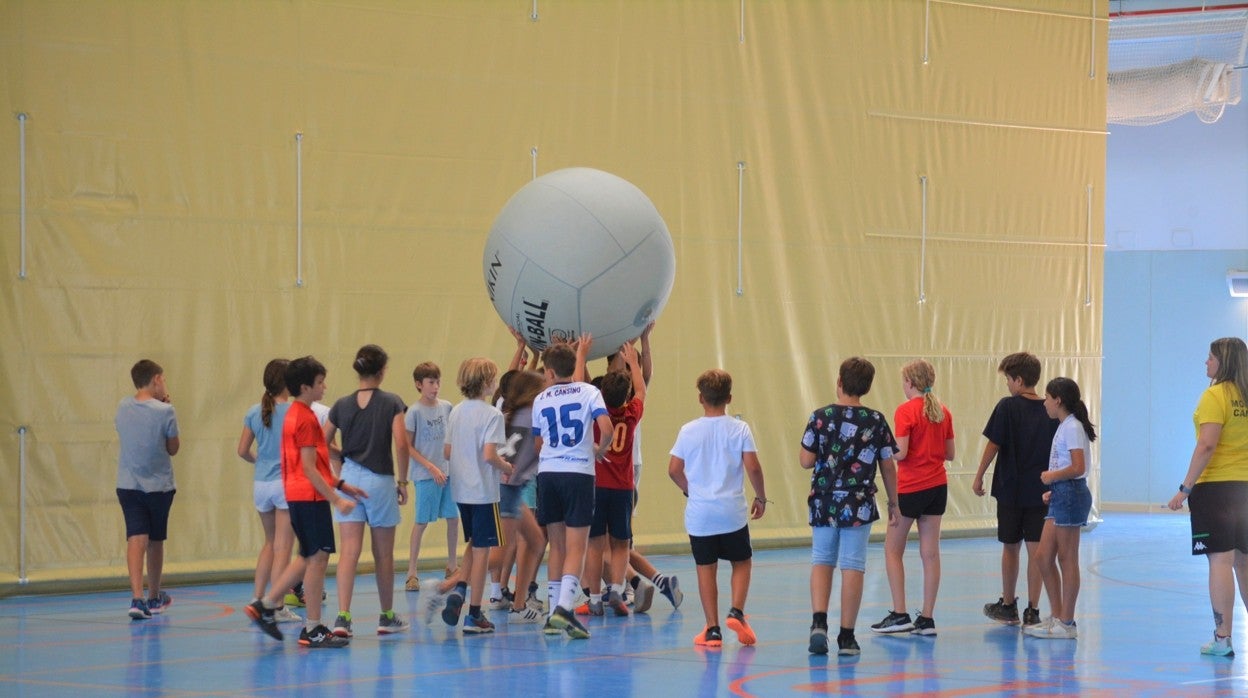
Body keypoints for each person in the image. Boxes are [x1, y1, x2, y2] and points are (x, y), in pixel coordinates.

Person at [245, 356, 366, 648]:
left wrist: (341, 483)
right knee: (316, 558)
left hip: (300, 495)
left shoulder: (297, 414)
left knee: (310, 556)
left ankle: (273, 606)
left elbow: (315, 463)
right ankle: (303, 622)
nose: (325, 387)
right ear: (305, 386)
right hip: (308, 496)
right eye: (320, 382)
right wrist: (336, 499)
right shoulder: (304, 418)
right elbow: (309, 468)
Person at [801, 357, 899, 656]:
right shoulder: (876, 420)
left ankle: (819, 622)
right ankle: (847, 637)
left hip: (824, 500)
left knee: (822, 559)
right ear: (867, 387)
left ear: (839, 381)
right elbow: (888, 465)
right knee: (853, 564)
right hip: (858, 503)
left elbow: (805, 461)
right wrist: (893, 502)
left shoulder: (820, 416)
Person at [669, 368, 768, 648]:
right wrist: (760, 497)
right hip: (732, 513)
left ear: (701, 398)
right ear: (729, 398)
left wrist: (690, 489)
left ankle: (712, 630)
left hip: (700, 515)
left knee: (705, 569)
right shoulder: (739, 428)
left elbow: (674, 469)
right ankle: (736, 610)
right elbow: (754, 467)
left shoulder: (688, 431)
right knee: (742, 561)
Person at [1167, 337, 1248, 657]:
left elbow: (1207, 445)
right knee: (1243, 563)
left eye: (1210, 357)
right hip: (1245, 487)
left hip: (1217, 489)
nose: (1206, 362)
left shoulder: (1216, 395)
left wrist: (1185, 487)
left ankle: (1222, 637)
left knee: (1221, 561)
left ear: (1223, 362)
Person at [324, 344, 410, 637]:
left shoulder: (341, 404)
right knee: (383, 554)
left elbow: (321, 442)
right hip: (380, 481)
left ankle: (342, 617)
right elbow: (401, 443)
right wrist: (403, 482)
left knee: (349, 552)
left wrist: (342, 455)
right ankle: (386, 616)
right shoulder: (392, 402)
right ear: (382, 371)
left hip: (349, 479)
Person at [533, 339, 614, 639]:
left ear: (551, 372)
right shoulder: (589, 392)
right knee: (577, 546)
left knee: (557, 545)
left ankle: (554, 613)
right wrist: (598, 449)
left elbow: (538, 443)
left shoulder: (541, 399)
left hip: (548, 474)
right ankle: (564, 610)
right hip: (578, 473)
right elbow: (606, 428)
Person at [972, 352, 1058, 628]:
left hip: (1010, 489)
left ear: (1019, 380)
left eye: (1008, 380)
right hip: (1041, 490)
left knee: (1010, 547)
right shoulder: (1050, 409)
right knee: (1036, 550)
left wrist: (979, 475)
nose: (1007, 385)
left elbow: (993, 445)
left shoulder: (1007, 407)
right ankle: (1032, 609)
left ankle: (1008, 604)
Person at [872, 359, 955, 636]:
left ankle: (899, 613)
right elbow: (950, 453)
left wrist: (885, 448)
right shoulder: (943, 412)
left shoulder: (905, 411)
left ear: (909, 383)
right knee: (930, 553)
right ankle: (927, 618)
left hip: (910, 487)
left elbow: (901, 453)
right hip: (936, 487)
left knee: (892, 549)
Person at [438, 357, 514, 633]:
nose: (496, 382)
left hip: (461, 491)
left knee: (473, 543)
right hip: (483, 492)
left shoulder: (456, 411)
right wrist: (506, 467)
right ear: (485, 383)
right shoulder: (492, 415)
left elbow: (447, 452)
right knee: (483, 552)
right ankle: (474, 614)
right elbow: (490, 455)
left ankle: (459, 590)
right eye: (494, 378)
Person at [1023, 377, 1096, 640]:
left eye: (1048, 397)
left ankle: (1067, 621)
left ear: (1058, 400)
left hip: (1071, 494)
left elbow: (1078, 468)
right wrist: (1054, 488)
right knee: (1043, 556)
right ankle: (1057, 616)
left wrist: (1053, 477)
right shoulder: (1064, 426)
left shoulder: (1072, 427)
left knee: (1067, 558)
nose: (1045, 402)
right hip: (1061, 493)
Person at [579, 342, 646, 617]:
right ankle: (617, 590)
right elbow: (641, 389)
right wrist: (633, 362)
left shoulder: (595, 412)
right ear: (626, 395)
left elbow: (580, 384)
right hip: (622, 487)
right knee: (621, 545)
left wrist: (580, 355)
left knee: (595, 545)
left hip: (597, 486)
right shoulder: (631, 414)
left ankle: (595, 597)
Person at [236, 358, 301, 623]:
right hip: (285, 484)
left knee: (270, 543)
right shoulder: (295, 411)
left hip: (261, 484)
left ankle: (257, 597)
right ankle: (276, 605)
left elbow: (242, 451)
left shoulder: (254, 411)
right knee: (284, 547)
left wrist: (261, 463)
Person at [116, 359, 180, 620]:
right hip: (158, 486)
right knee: (155, 540)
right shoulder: (166, 411)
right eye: (163, 379)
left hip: (128, 483)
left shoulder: (122, 406)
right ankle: (154, 596)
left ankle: (136, 597)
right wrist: (165, 407)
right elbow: (173, 448)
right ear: (156, 379)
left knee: (135, 537)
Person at [493, 369, 548, 623]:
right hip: (508, 488)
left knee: (536, 541)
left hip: (512, 487)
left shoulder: (513, 414)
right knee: (495, 554)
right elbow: (540, 446)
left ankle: (519, 602)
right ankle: (448, 589)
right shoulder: (531, 416)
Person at [403, 361, 458, 593]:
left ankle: (452, 564)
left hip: (448, 473)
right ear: (419, 384)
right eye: (430, 382)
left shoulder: (447, 407)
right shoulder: (414, 412)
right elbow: (408, 447)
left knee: (453, 518)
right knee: (421, 521)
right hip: (426, 476)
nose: (435, 387)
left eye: (437, 381)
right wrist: (431, 467)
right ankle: (412, 572)